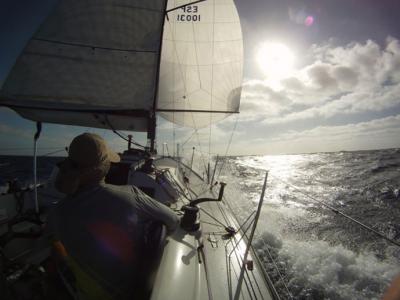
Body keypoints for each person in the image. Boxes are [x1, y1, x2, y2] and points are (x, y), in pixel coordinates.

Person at [48, 133, 179, 300]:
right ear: (103, 166)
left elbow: (57, 248)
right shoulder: (131, 195)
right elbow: (174, 221)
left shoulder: (57, 211)